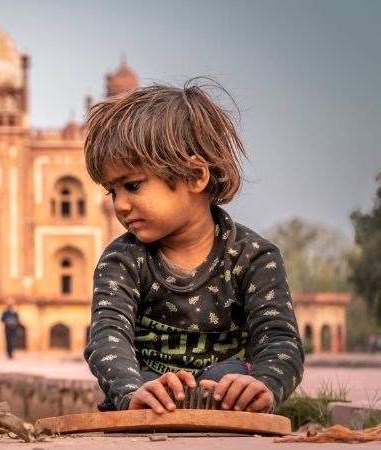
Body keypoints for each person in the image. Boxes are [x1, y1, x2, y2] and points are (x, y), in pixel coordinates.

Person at [82, 79, 304, 415]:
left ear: (195, 176)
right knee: (146, 384)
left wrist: (266, 385)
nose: (121, 205)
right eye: (112, 192)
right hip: (149, 400)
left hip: (227, 400)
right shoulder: (122, 260)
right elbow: (107, 338)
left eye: (132, 185)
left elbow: (279, 339)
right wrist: (131, 391)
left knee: (228, 377)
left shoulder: (253, 258)